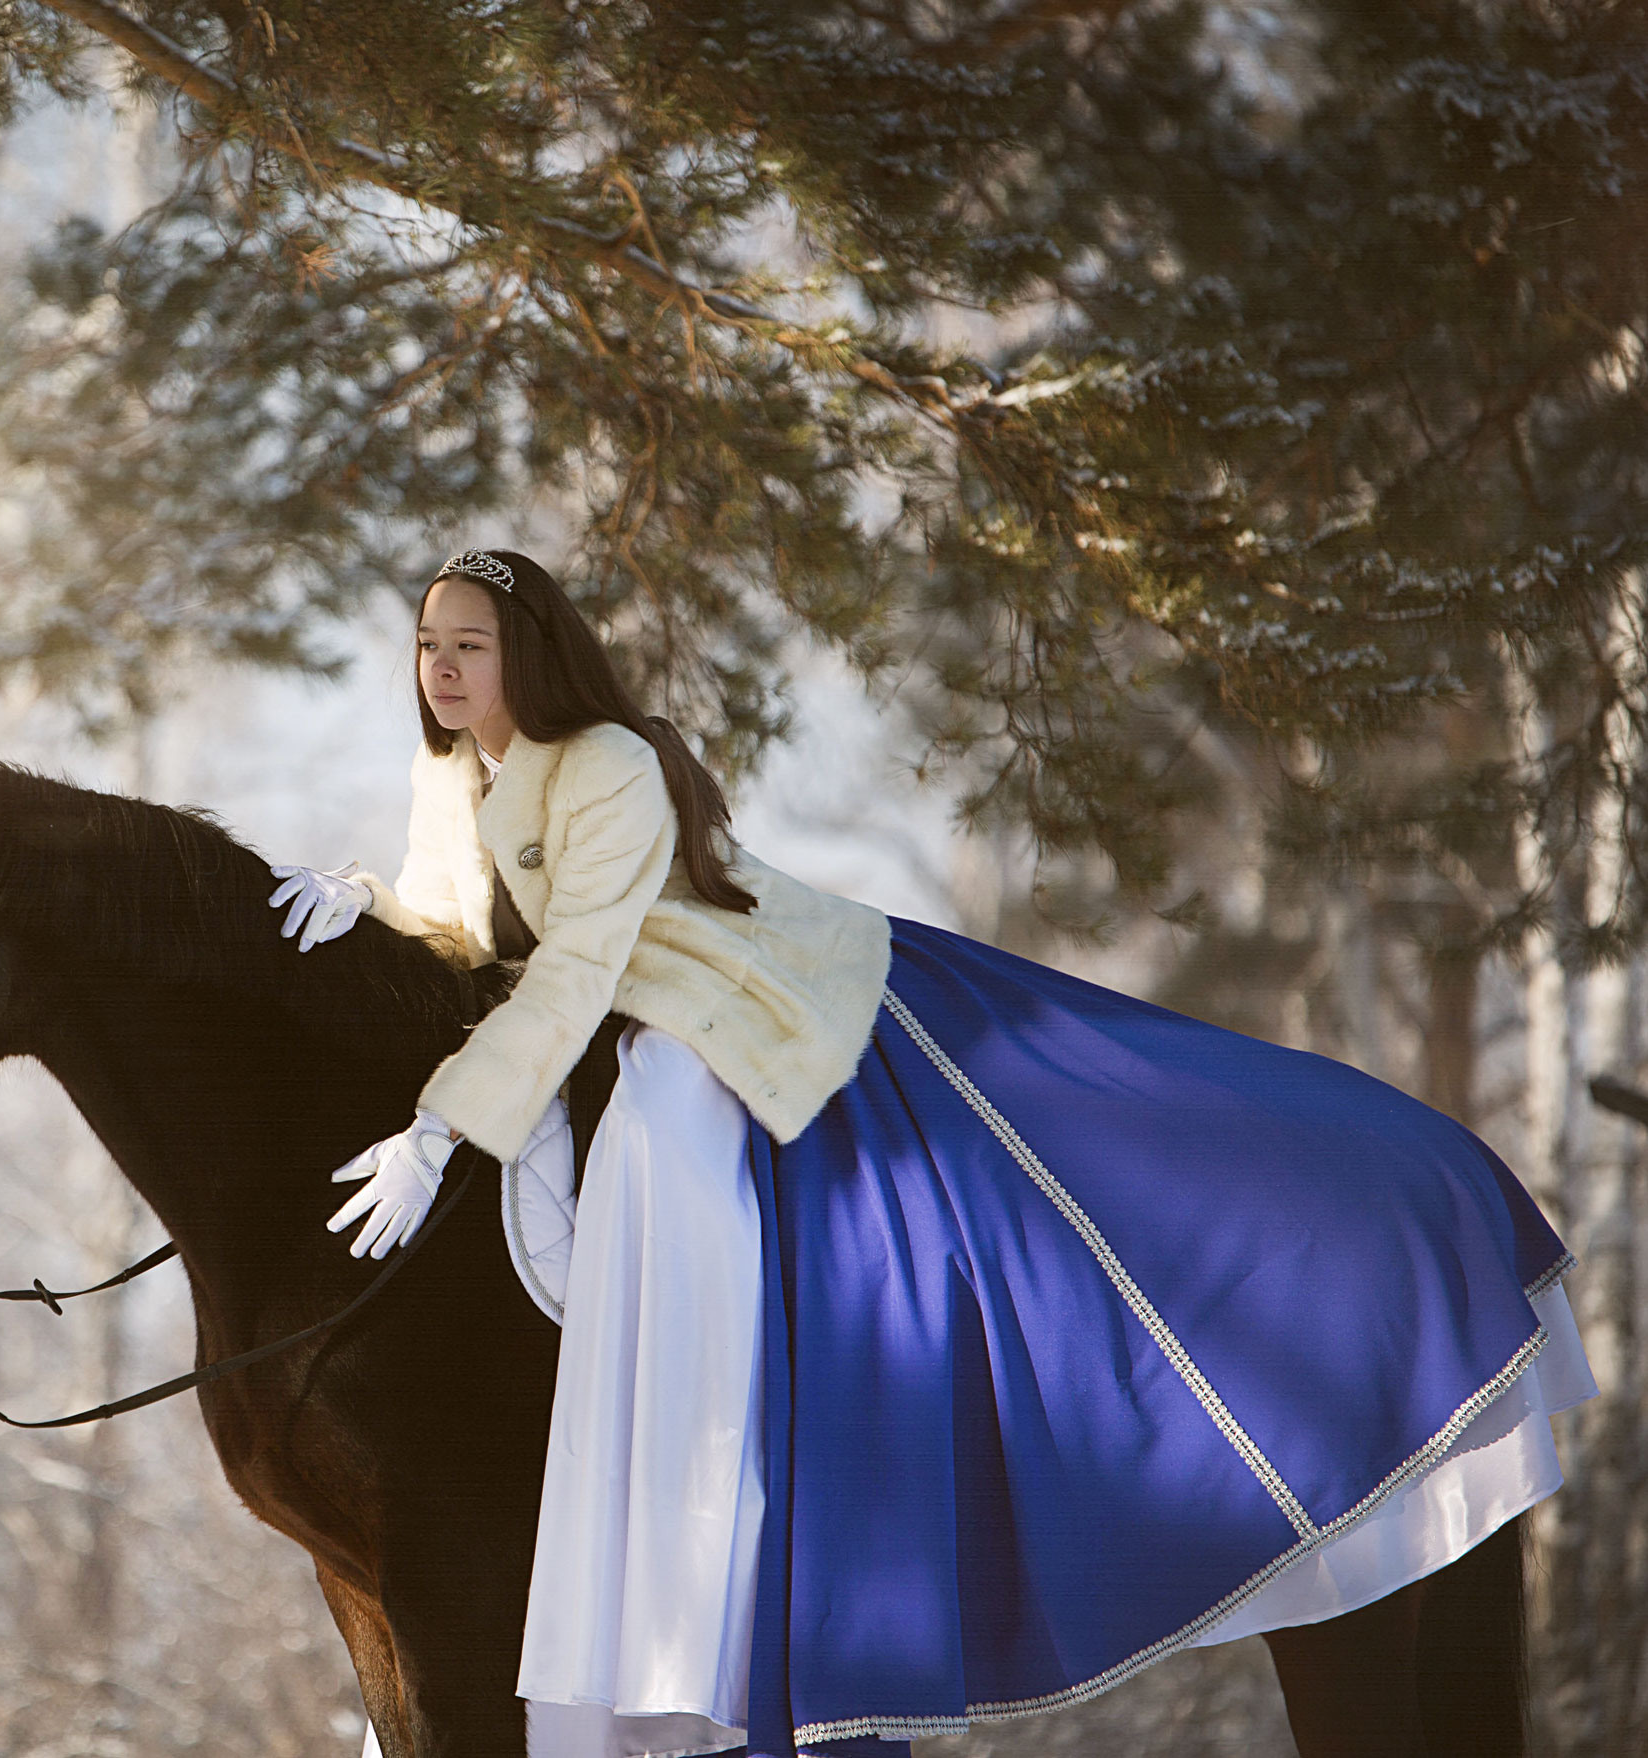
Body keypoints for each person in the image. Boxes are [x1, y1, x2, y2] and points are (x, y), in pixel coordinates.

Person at [267, 549, 1593, 1758]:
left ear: (529, 653)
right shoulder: (458, 776)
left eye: (470, 645)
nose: (442, 668)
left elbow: (570, 972)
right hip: (629, 1022)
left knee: (683, 1152)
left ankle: (731, 1531)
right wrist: (373, 901)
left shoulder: (607, 763)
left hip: (736, 1021)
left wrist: (443, 1127)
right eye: (430, 644)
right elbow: (462, 910)